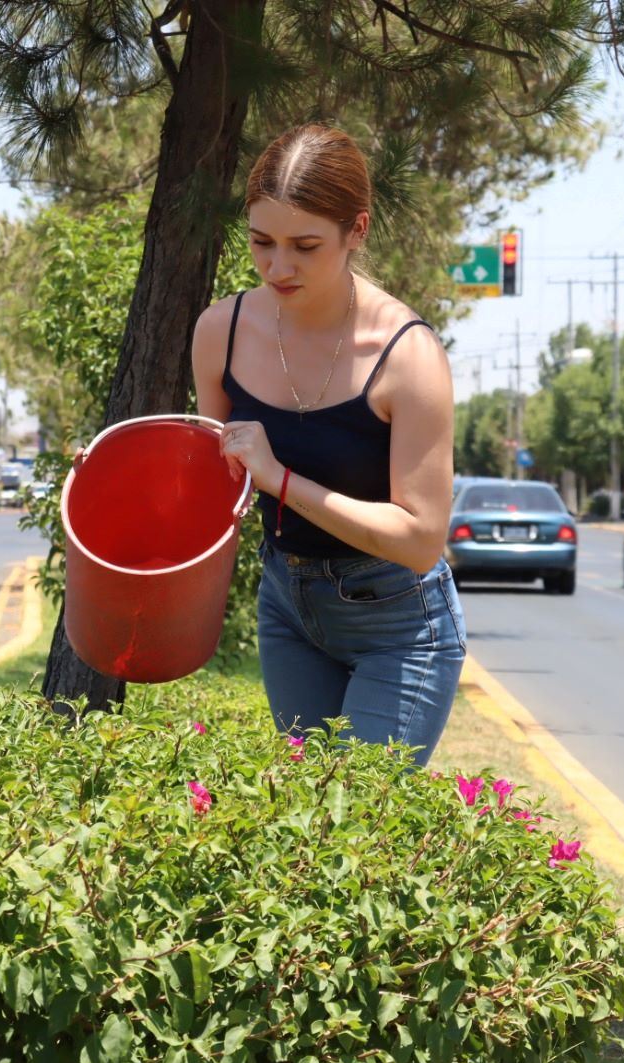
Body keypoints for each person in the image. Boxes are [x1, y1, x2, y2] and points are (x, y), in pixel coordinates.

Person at [191, 124, 466, 767]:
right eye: (261, 242)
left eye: (305, 246)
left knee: (359, 831)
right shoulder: (220, 331)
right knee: (301, 832)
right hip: (287, 606)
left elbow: (422, 540)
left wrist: (279, 479)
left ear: (357, 231)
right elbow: (217, 490)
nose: (277, 267)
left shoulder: (408, 355)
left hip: (398, 625)